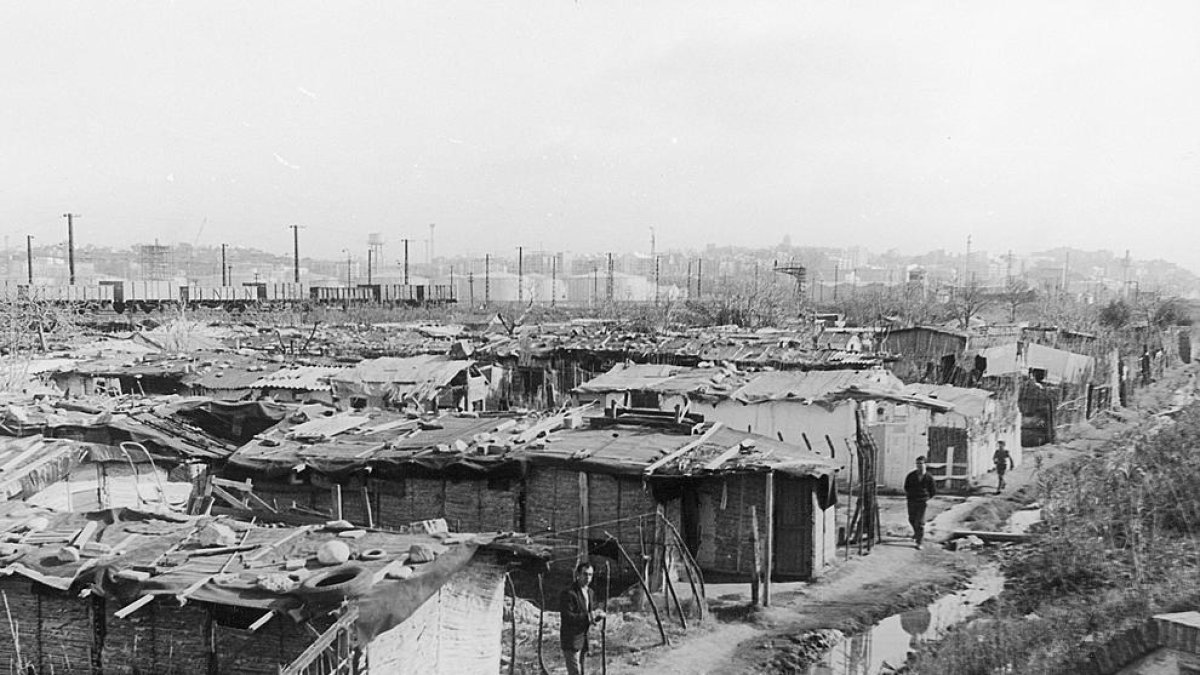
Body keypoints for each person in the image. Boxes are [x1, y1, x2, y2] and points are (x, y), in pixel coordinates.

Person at [560, 561, 605, 675]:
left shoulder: (590, 592)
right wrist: (590, 616)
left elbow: (589, 614)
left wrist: (597, 616)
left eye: (590, 575)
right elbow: (568, 617)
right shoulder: (569, 593)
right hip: (571, 640)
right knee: (575, 673)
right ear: (578, 574)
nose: (588, 578)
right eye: (585, 574)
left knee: (582, 671)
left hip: (583, 639)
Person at [904, 456, 937, 549]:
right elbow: (906, 487)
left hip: (922, 502)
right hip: (911, 500)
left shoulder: (929, 477)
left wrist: (926, 497)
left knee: (920, 522)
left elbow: (933, 491)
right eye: (917, 464)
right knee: (912, 519)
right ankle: (916, 533)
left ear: (925, 464)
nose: (919, 466)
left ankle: (920, 542)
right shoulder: (911, 476)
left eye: (921, 463)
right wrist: (911, 495)